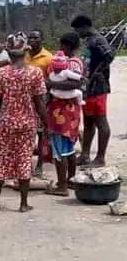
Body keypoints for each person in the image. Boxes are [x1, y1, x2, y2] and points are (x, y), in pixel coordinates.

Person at [0, 35, 47, 212]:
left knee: (1, 160)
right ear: (26, 51)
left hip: (5, 123)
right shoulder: (35, 73)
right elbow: (39, 103)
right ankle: (23, 204)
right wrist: (48, 124)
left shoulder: (1, 73)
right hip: (27, 123)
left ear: (7, 51)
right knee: (24, 160)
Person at [70, 14, 114, 167]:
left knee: (101, 121)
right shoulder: (89, 40)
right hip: (87, 88)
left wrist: (97, 73)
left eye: (77, 30)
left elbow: (109, 56)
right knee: (88, 122)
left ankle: (100, 158)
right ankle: (85, 155)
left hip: (98, 88)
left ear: (84, 27)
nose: (77, 33)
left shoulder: (98, 39)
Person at [45, 31, 84, 196]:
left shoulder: (71, 64)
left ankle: (62, 186)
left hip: (62, 112)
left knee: (59, 150)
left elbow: (75, 83)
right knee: (69, 148)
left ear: (65, 46)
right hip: (70, 111)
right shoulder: (72, 62)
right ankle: (71, 180)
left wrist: (50, 83)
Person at [24, 28, 53, 177]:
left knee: (41, 135)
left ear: (42, 39)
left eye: (36, 38)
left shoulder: (48, 57)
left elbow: (52, 80)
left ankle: (40, 165)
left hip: (41, 101)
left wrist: (37, 83)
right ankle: (25, 165)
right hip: (24, 102)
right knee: (26, 135)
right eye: (30, 38)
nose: (32, 41)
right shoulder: (24, 56)